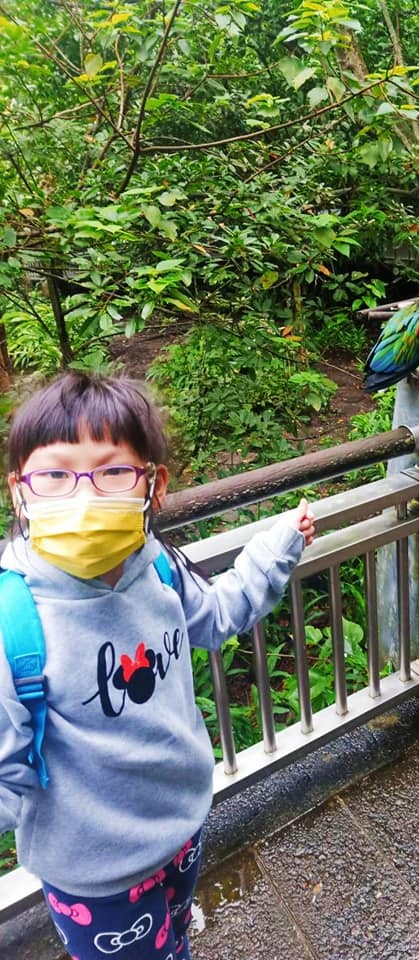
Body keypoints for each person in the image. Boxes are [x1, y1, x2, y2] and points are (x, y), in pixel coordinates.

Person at [0, 370, 315, 960]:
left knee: (172, 939)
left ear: (153, 484)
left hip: (183, 826)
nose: (84, 496)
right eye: (55, 475)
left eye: (113, 471)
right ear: (20, 490)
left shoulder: (159, 567)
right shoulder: (13, 621)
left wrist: (276, 547)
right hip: (97, 879)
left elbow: (217, 615)